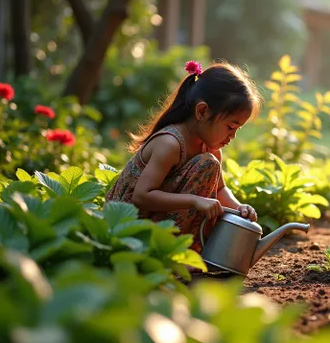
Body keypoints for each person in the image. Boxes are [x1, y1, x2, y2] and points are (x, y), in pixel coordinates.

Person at [106, 60, 262, 253]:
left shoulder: (210, 150)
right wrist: (194, 200)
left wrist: (240, 208)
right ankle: (166, 250)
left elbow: (220, 189)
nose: (233, 136)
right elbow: (141, 196)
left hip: (156, 224)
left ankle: (174, 249)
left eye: (238, 129)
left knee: (209, 164)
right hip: (125, 225)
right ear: (202, 111)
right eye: (230, 126)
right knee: (208, 164)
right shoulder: (170, 144)